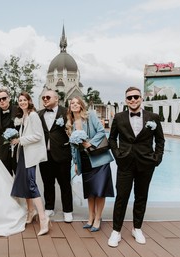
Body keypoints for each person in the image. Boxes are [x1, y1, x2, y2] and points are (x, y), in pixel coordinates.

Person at [108, 87, 165, 247]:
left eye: (136, 97)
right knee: (122, 197)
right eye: (129, 98)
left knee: (141, 196)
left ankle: (137, 228)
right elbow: (112, 139)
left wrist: (157, 158)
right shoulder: (119, 117)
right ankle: (116, 231)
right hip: (125, 163)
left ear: (141, 98)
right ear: (126, 100)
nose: (133, 100)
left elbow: (160, 140)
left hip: (146, 163)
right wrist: (117, 154)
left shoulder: (152, 117)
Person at [66, 96, 114, 232]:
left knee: (99, 191)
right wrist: (76, 163)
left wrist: (90, 143)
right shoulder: (70, 124)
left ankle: (98, 218)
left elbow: (101, 132)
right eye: (72, 103)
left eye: (77, 103)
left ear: (81, 105)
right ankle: (90, 217)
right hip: (84, 160)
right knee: (90, 191)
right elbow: (73, 147)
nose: (75, 105)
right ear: (70, 107)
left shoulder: (90, 116)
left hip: (99, 159)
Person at [10, 92, 49, 236]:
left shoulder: (33, 115)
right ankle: (30, 211)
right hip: (23, 155)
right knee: (24, 183)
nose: (22, 102)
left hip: (30, 155)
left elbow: (38, 136)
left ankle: (43, 219)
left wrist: (20, 140)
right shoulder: (24, 116)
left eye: (24, 100)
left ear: (29, 101)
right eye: (20, 100)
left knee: (31, 184)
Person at [38, 89, 74, 222]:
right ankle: (49, 208)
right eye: (43, 98)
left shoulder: (66, 113)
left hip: (62, 155)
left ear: (56, 99)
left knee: (65, 184)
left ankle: (68, 210)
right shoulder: (39, 114)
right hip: (44, 155)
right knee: (48, 183)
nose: (45, 99)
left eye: (48, 97)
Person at [0, 87, 18, 175]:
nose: (1, 101)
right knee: (5, 177)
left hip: (18, 149)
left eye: (4, 98)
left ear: (9, 98)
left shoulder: (18, 110)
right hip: (2, 151)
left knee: (21, 178)